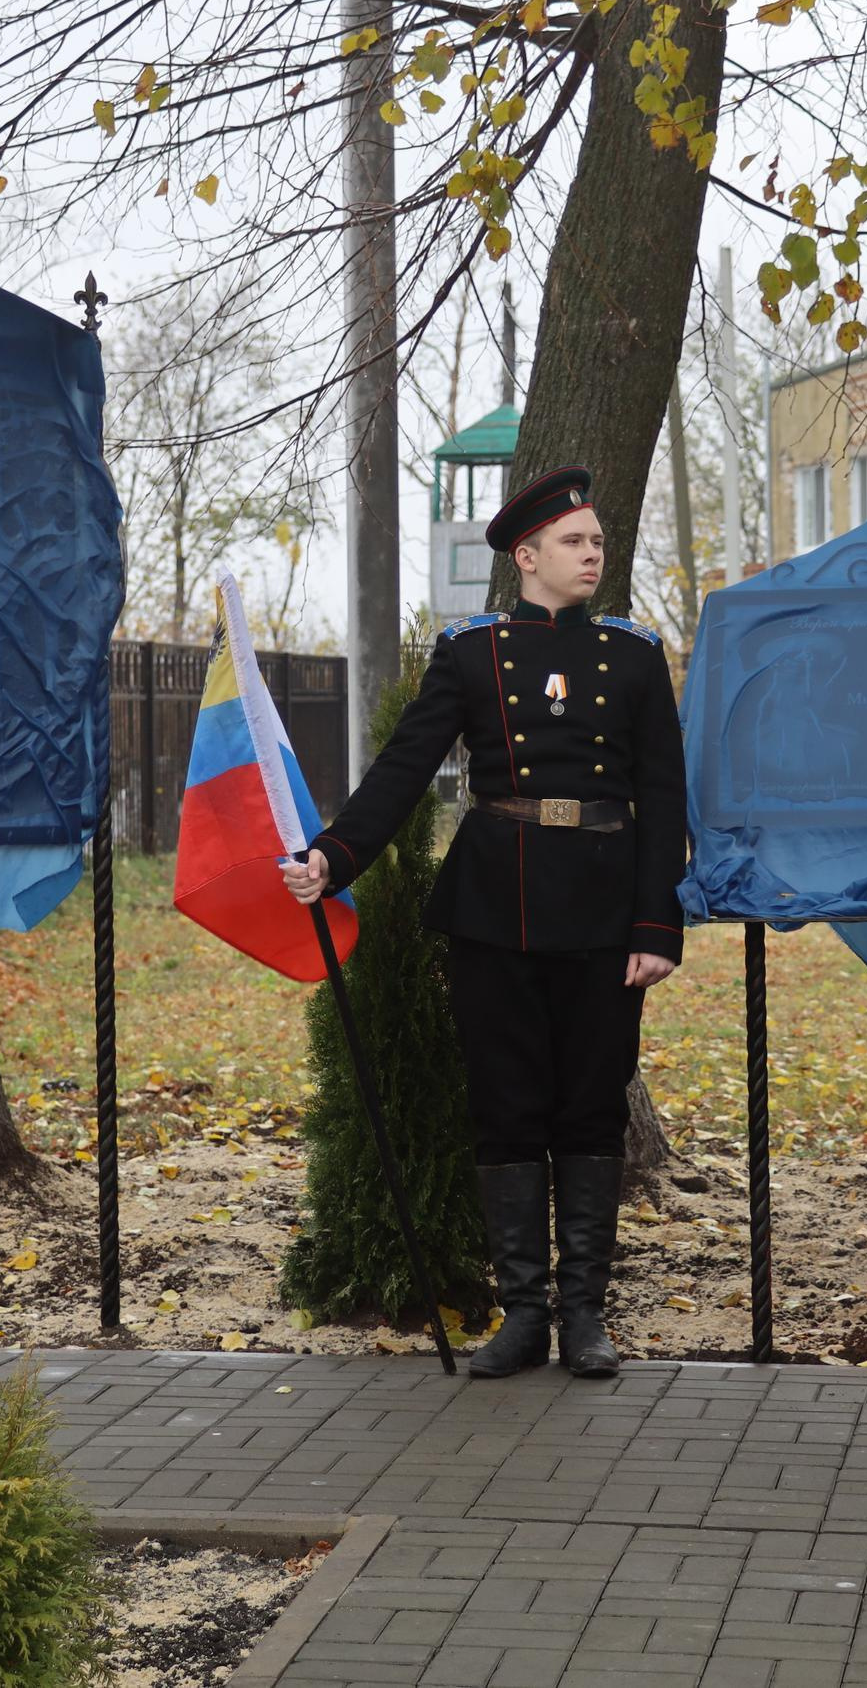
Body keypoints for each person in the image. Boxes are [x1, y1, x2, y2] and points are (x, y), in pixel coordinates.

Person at [279, 465, 686, 1380]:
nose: (594, 554)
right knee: (505, 1107)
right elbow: (404, 767)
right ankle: (525, 1314)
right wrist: (334, 855)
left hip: (604, 905)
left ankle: (585, 1314)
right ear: (527, 555)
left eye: (597, 541)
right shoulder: (472, 653)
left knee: (590, 1106)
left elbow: (664, 796)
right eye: (576, 542)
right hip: (495, 906)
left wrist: (658, 925)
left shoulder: (634, 654)